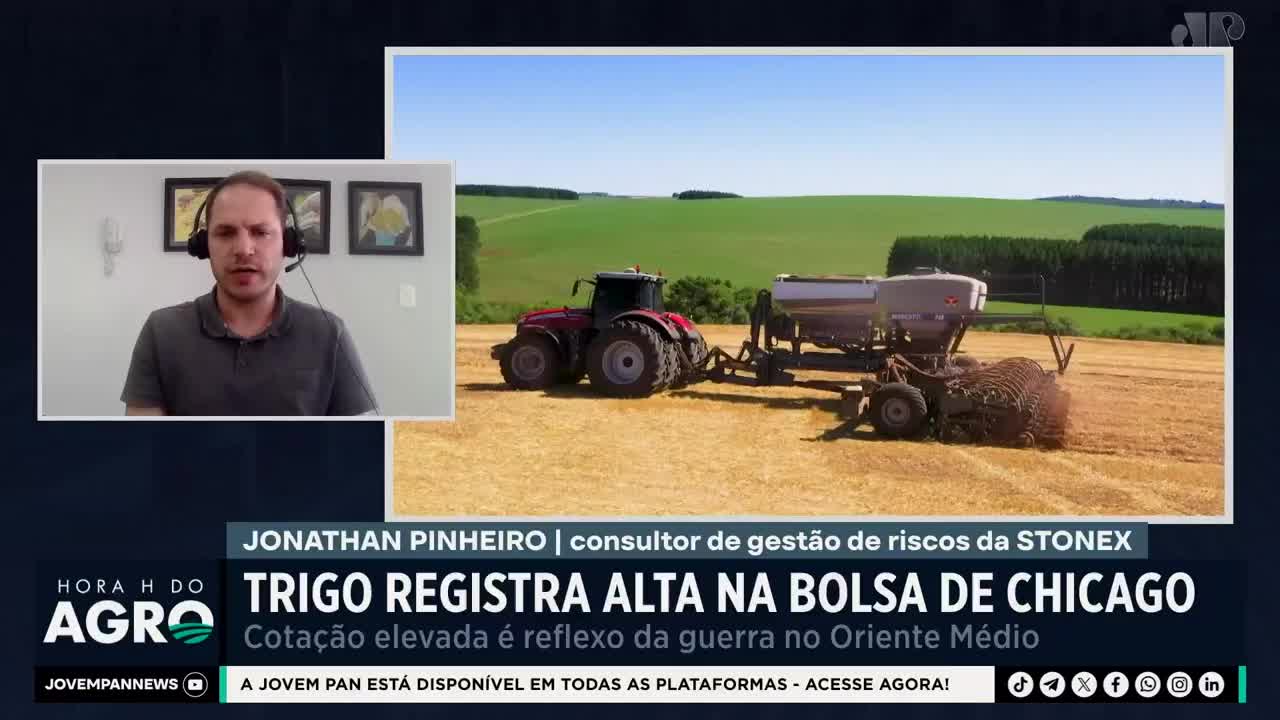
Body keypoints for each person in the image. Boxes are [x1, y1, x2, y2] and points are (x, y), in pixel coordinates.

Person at [121, 171, 379, 416]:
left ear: (287, 244)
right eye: (225, 233)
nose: (244, 249)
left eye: (261, 232)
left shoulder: (329, 332)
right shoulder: (161, 331)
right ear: (204, 245)